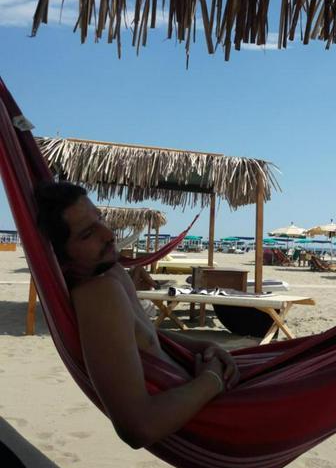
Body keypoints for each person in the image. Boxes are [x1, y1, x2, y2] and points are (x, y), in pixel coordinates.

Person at [34, 181, 240, 450]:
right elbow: (138, 427)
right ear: (59, 257)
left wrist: (202, 345)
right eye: (87, 234)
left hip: (201, 398)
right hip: (203, 418)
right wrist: (211, 381)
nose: (109, 234)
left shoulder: (112, 272)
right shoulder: (98, 293)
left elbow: (142, 334)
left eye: (100, 219)